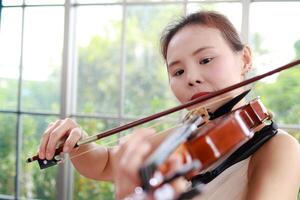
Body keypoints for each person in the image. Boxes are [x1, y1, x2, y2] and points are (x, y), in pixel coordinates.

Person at [38, 11, 300, 199]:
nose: (192, 78)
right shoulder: (191, 134)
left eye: (206, 60)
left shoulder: (279, 148)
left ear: (244, 58)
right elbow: (105, 163)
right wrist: (78, 140)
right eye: (177, 72)